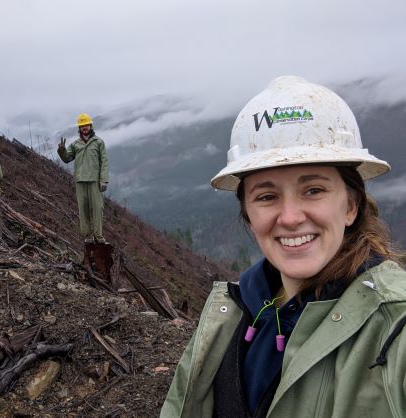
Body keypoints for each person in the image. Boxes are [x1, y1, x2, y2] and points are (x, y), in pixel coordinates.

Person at [161, 76, 406, 418]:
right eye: (267, 196)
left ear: (351, 206)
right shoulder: (231, 312)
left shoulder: (396, 325)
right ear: (248, 215)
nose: (290, 218)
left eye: (314, 190)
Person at [58, 113, 109, 243]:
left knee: (97, 208)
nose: (84, 127)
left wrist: (104, 180)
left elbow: (104, 162)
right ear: (79, 128)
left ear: (90, 126)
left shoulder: (99, 142)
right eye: (82, 126)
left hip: (94, 181)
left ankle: (98, 235)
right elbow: (67, 159)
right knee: (83, 208)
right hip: (80, 181)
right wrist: (62, 150)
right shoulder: (76, 144)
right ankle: (88, 236)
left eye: (86, 125)